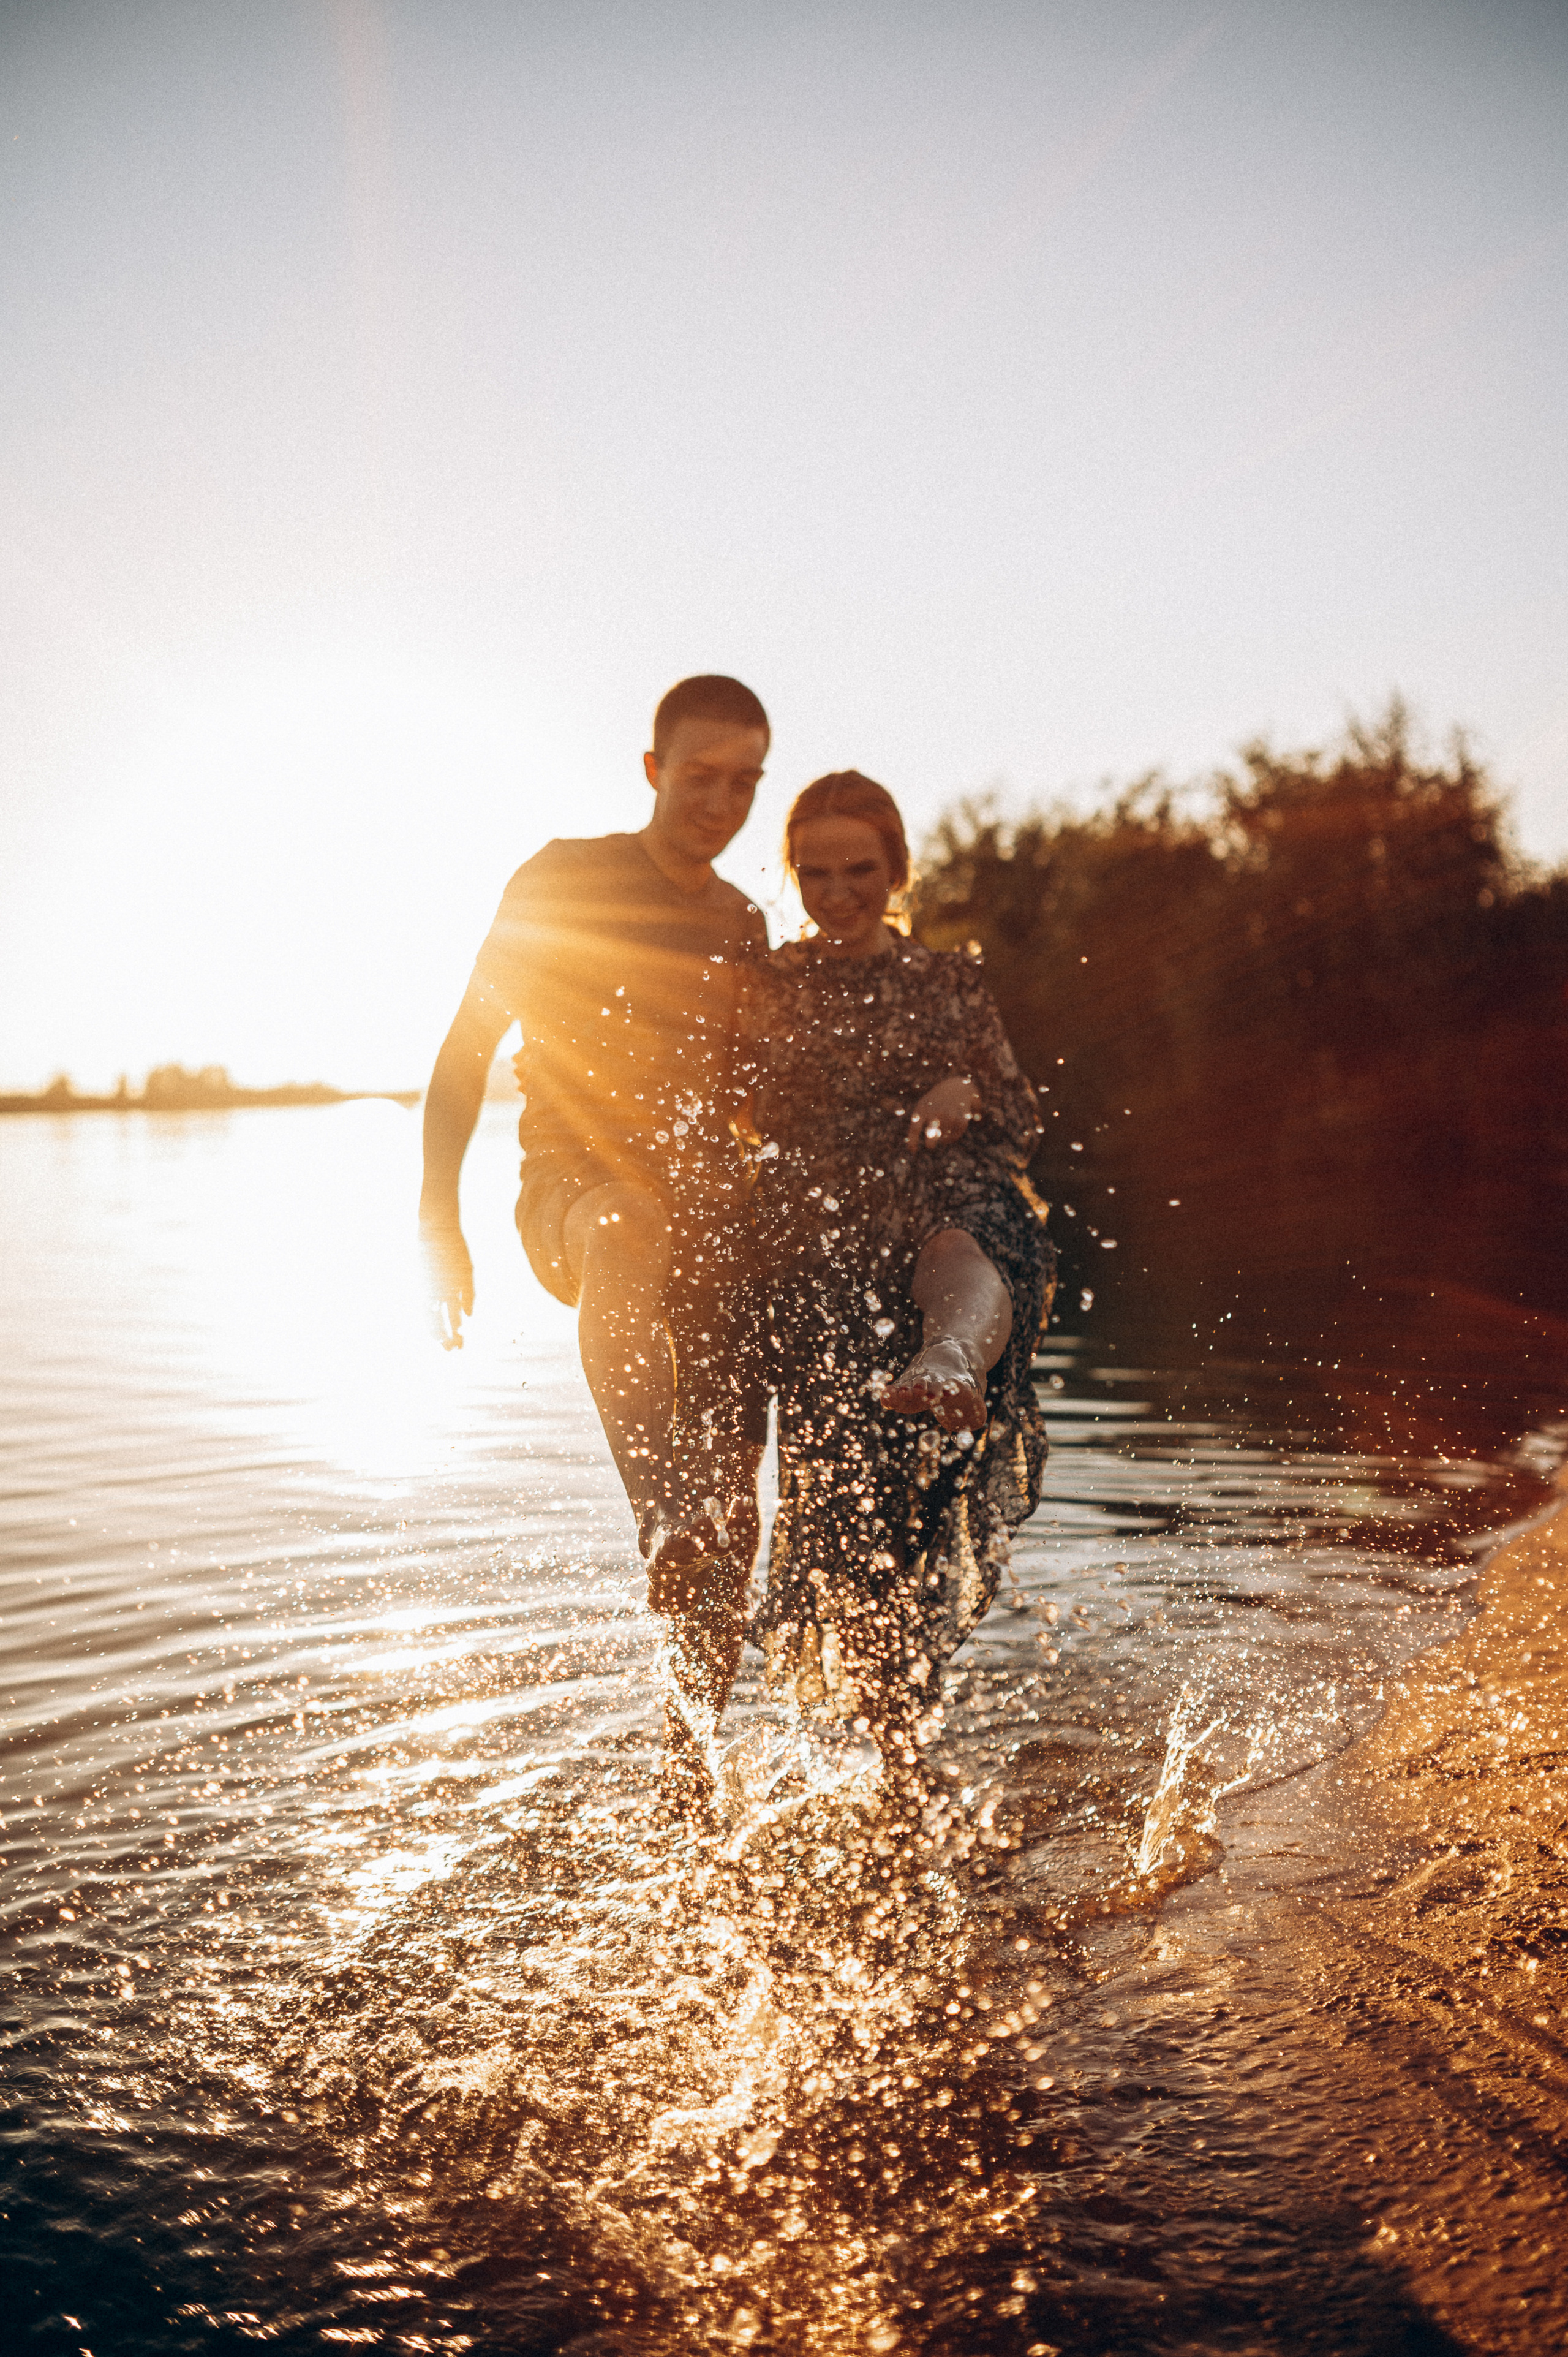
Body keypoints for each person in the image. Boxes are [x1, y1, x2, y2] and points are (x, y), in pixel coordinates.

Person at [418, 675, 772, 1809]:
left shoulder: (739, 923)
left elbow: (754, 1099)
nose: (722, 801)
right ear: (655, 769)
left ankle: (692, 1770)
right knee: (632, 1226)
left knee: (735, 1525)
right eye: (701, 775)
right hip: (577, 1197)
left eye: (746, 782)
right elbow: (468, 1049)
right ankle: (658, 1498)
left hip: (713, 1233)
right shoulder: (563, 876)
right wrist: (439, 1221)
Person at [742, 771, 1055, 1771]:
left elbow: (1022, 1119)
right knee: (854, 1510)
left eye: (859, 870)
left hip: (943, 1199)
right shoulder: (772, 983)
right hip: (826, 1244)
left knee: (959, 1247)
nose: (837, 893)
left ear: (897, 870)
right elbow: (732, 1118)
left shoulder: (949, 980)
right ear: (794, 874)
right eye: (815, 872)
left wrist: (966, 1085)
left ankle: (954, 1355)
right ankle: (896, 1765)